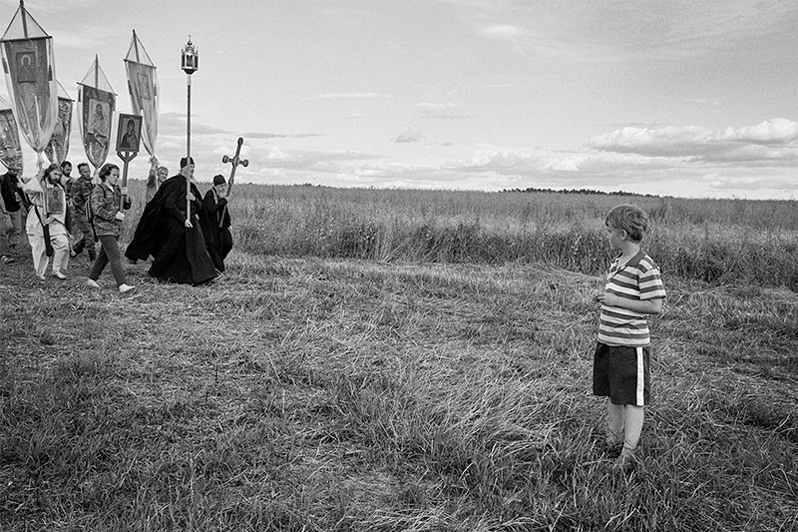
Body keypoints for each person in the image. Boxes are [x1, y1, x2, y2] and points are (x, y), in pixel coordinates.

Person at [593, 204, 666, 472]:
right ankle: (612, 442)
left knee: (632, 400)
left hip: (630, 345)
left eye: (610, 231)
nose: (607, 236)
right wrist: (606, 299)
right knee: (613, 395)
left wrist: (615, 300)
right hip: (609, 340)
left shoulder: (644, 266)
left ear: (623, 234)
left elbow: (654, 305)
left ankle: (628, 453)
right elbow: (620, 298)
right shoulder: (617, 262)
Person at [125, 156, 217, 285]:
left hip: (191, 222)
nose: (192, 170)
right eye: (189, 167)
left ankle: (203, 277)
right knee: (170, 249)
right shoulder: (174, 183)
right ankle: (155, 272)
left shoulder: (191, 185)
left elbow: (200, 206)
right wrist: (182, 219)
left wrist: (193, 199)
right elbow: (169, 204)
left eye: (193, 167)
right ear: (183, 168)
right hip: (176, 223)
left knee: (197, 248)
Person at [85, 163, 135, 293]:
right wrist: (114, 216)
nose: (116, 178)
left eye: (118, 175)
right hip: (103, 228)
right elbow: (97, 209)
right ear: (106, 175)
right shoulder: (99, 190)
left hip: (114, 229)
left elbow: (127, 206)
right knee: (115, 255)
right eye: (114, 175)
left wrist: (126, 196)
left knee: (104, 256)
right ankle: (122, 284)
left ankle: (92, 279)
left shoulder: (117, 189)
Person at [20, 163, 70, 280]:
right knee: (40, 246)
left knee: (63, 244)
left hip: (54, 218)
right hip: (38, 216)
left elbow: (61, 207)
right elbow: (27, 189)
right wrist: (39, 176)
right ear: (49, 172)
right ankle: (40, 272)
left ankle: (56, 269)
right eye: (55, 174)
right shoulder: (40, 183)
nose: (57, 177)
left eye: (59, 175)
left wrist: (52, 218)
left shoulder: (59, 188)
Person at [202, 174, 233, 272]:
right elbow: (211, 210)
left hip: (222, 227)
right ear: (215, 186)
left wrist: (228, 223)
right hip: (212, 228)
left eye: (224, 186)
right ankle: (217, 266)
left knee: (228, 243)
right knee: (215, 249)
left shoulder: (222, 196)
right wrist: (223, 201)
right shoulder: (210, 195)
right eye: (220, 186)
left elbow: (225, 210)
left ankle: (218, 261)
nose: (222, 188)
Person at [70, 162, 96, 261]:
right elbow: (77, 202)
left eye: (88, 171)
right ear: (80, 172)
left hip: (91, 213)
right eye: (85, 172)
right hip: (81, 213)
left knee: (93, 235)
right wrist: (88, 210)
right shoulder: (77, 184)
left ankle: (75, 250)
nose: (88, 173)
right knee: (90, 235)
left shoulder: (93, 181)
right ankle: (93, 259)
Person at [0, 164, 23, 264]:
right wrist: (3, 210)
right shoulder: (2, 179)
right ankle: (4, 254)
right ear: (9, 168)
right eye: (14, 170)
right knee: (3, 231)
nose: (16, 172)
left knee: (16, 229)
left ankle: (11, 249)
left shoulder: (18, 180)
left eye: (17, 170)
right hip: (5, 208)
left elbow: (23, 193)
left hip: (16, 208)